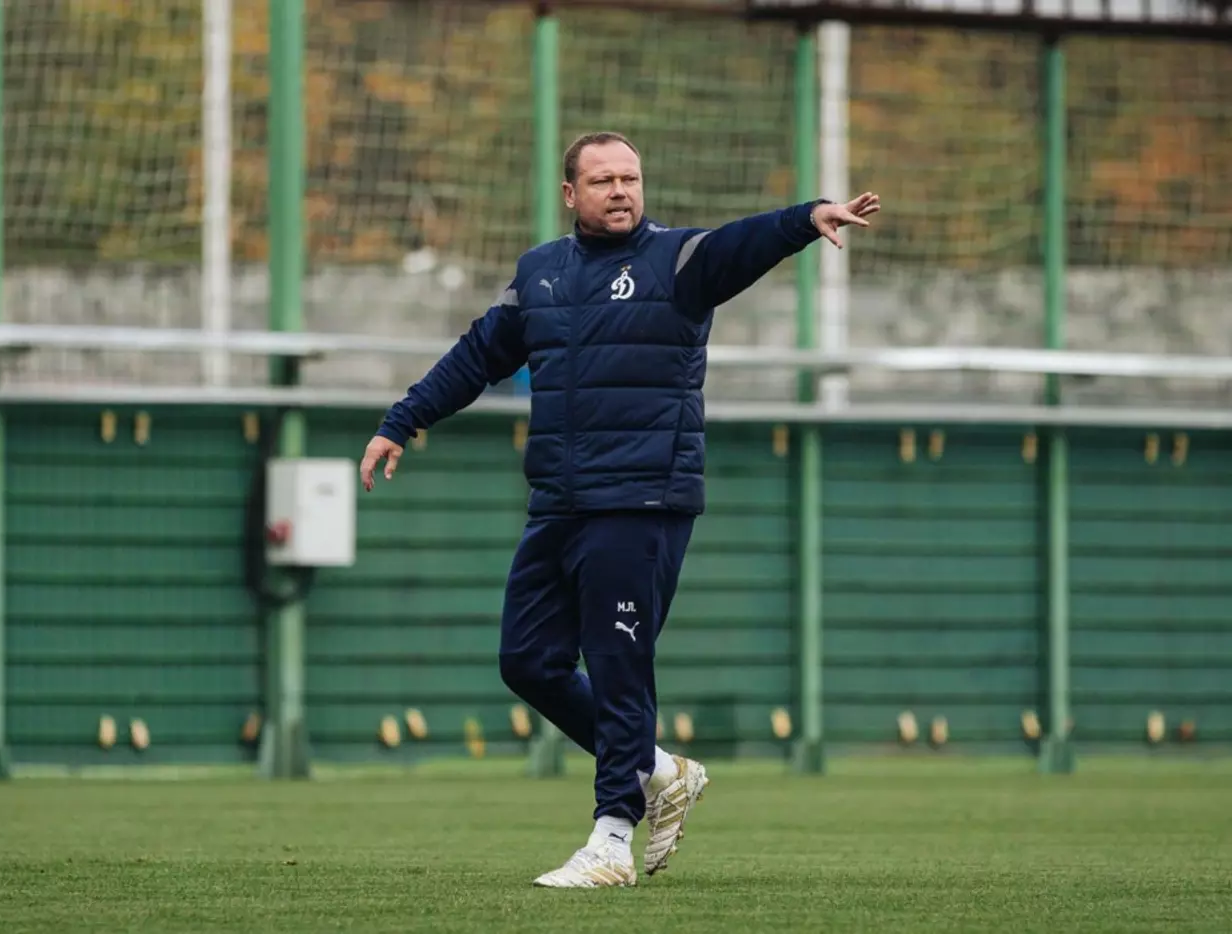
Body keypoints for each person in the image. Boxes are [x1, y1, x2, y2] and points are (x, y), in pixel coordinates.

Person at [359, 131, 880, 888]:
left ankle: (610, 842)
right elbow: (477, 356)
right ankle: (661, 770)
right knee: (527, 662)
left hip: (643, 498)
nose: (620, 191)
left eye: (630, 178)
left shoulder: (677, 261)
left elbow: (740, 244)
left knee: (616, 666)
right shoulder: (539, 273)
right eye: (603, 180)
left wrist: (805, 218)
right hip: (559, 501)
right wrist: (402, 420)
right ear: (571, 193)